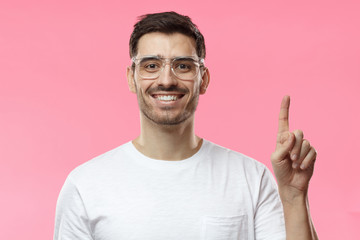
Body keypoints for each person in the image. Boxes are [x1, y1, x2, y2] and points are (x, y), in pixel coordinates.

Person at [54, 11, 318, 240]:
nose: (166, 79)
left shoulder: (251, 178)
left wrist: (294, 197)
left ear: (203, 79)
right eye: (151, 65)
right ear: (131, 78)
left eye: (183, 65)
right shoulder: (86, 185)